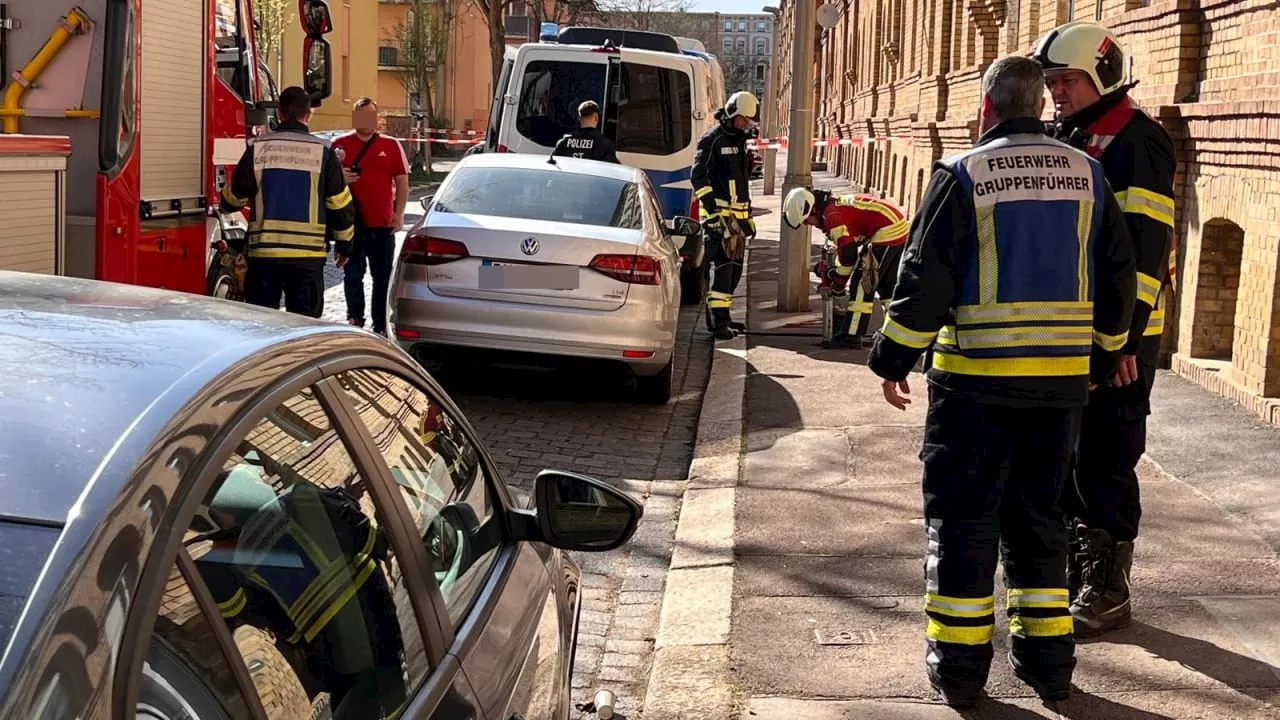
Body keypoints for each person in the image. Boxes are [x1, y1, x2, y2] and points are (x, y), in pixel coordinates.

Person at [865, 55, 1136, 707]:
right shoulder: (1088, 174)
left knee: (964, 523)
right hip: (1058, 392)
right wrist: (1103, 355)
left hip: (974, 390)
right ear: (1040, 106)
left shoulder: (964, 174)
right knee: (1040, 520)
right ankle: (1048, 667)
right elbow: (1119, 275)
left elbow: (925, 275)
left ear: (987, 107)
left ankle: (960, 671)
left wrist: (893, 358)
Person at [1032, 22, 1178, 638]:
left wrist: (1123, 338)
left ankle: (1108, 588)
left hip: (1122, 337)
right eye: (1050, 83)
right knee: (1067, 457)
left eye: (1065, 81)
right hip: (1078, 329)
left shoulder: (1137, 141)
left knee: (1108, 459)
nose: (1056, 93)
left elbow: (1147, 251)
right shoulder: (1070, 136)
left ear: (1102, 74)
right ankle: (1070, 569)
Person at [220, 86, 355, 318]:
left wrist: (224, 202)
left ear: (280, 113)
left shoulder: (258, 148)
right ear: (309, 114)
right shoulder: (324, 152)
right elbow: (340, 204)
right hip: (308, 259)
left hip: (264, 257)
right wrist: (344, 245)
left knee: (261, 325)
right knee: (303, 327)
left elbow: (234, 198)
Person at [783, 188, 909, 348]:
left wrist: (838, 281)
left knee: (863, 284)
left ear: (812, 210)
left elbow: (849, 255)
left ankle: (851, 336)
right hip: (894, 223)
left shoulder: (831, 217)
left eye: (807, 221)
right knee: (885, 286)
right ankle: (893, 335)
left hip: (888, 229)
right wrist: (836, 273)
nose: (809, 225)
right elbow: (845, 249)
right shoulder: (830, 209)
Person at [333, 97, 410, 336]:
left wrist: (399, 214)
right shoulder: (339, 145)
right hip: (350, 226)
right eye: (360, 115)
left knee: (382, 277)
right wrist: (339, 178)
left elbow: (402, 180)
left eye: (369, 115)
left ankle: (379, 324)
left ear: (377, 119)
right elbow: (324, 182)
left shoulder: (391, 145)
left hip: (382, 224)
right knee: (352, 274)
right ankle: (355, 317)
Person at [692, 91, 759, 340]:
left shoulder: (740, 141)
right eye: (742, 119)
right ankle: (717, 324)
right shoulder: (712, 139)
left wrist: (746, 221)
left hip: (736, 222)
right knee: (721, 271)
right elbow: (698, 177)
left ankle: (726, 318)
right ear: (732, 113)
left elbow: (741, 185)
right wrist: (713, 215)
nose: (745, 124)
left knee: (734, 272)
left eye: (748, 121)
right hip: (718, 221)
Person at [551, 100, 619, 163]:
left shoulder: (563, 142)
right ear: (596, 117)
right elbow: (613, 170)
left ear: (579, 118)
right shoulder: (605, 145)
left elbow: (554, 164)